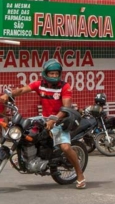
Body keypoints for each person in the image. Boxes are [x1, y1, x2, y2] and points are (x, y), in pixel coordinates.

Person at [23, 59, 85, 189]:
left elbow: (66, 107)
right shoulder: (39, 84)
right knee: (24, 131)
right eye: (51, 73)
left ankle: (80, 175)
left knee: (65, 147)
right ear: (45, 73)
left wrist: (54, 119)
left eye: (56, 73)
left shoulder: (65, 86)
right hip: (44, 119)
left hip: (61, 121)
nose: (54, 76)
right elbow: (23, 90)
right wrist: (8, 95)